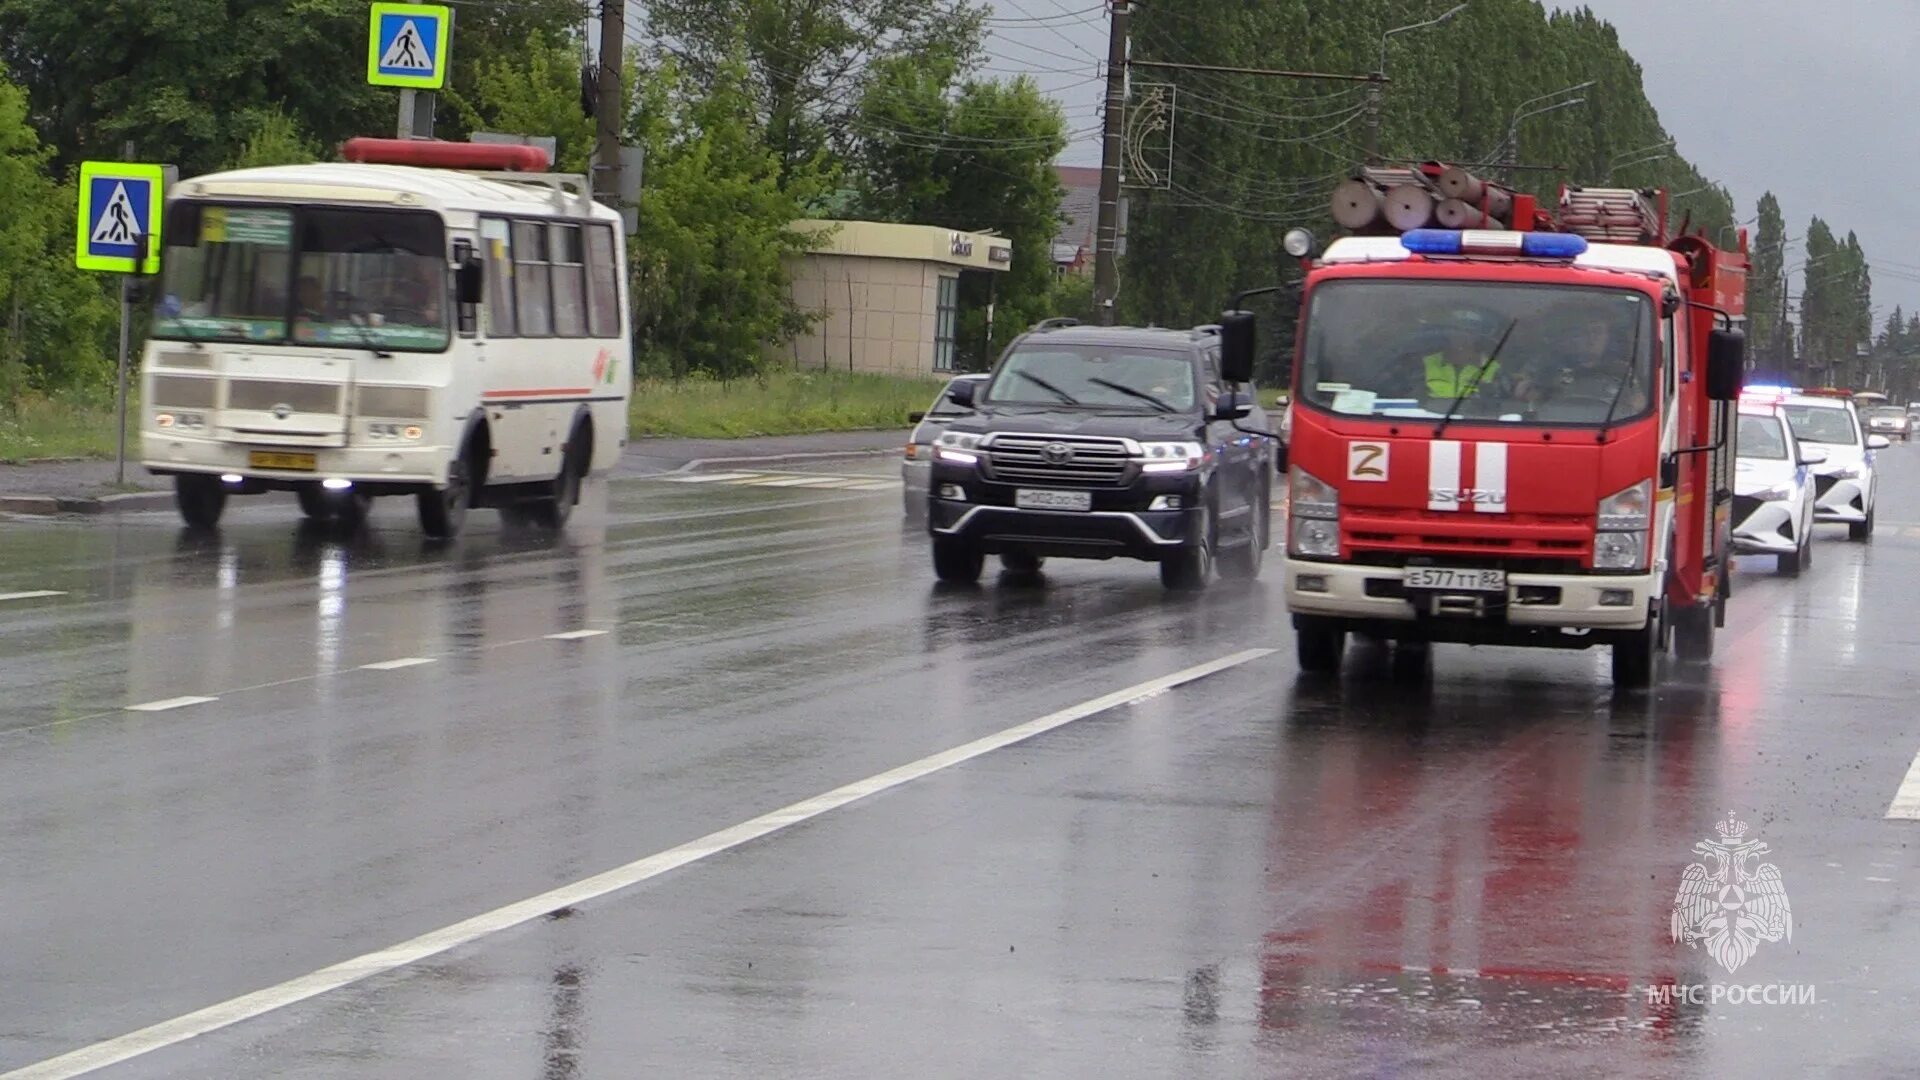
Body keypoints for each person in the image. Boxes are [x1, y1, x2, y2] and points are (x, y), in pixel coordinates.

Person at [1419, 312, 1500, 401]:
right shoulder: (1424, 364)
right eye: (1456, 330)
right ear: (1447, 334)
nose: (1462, 335)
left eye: (1469, 331)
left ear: (1478, 336)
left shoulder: (1495, 370)